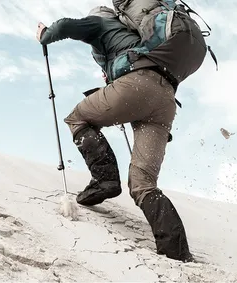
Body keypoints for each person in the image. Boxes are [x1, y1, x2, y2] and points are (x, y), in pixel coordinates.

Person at [36, 6, 200, 262]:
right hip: (166, 99)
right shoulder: (139, 39)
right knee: (143, 183)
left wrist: (45, 34)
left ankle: (105, 180)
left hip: (136, 86)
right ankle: (177, 253)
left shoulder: (101, 23)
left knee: (77, 118)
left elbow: (65, 26)